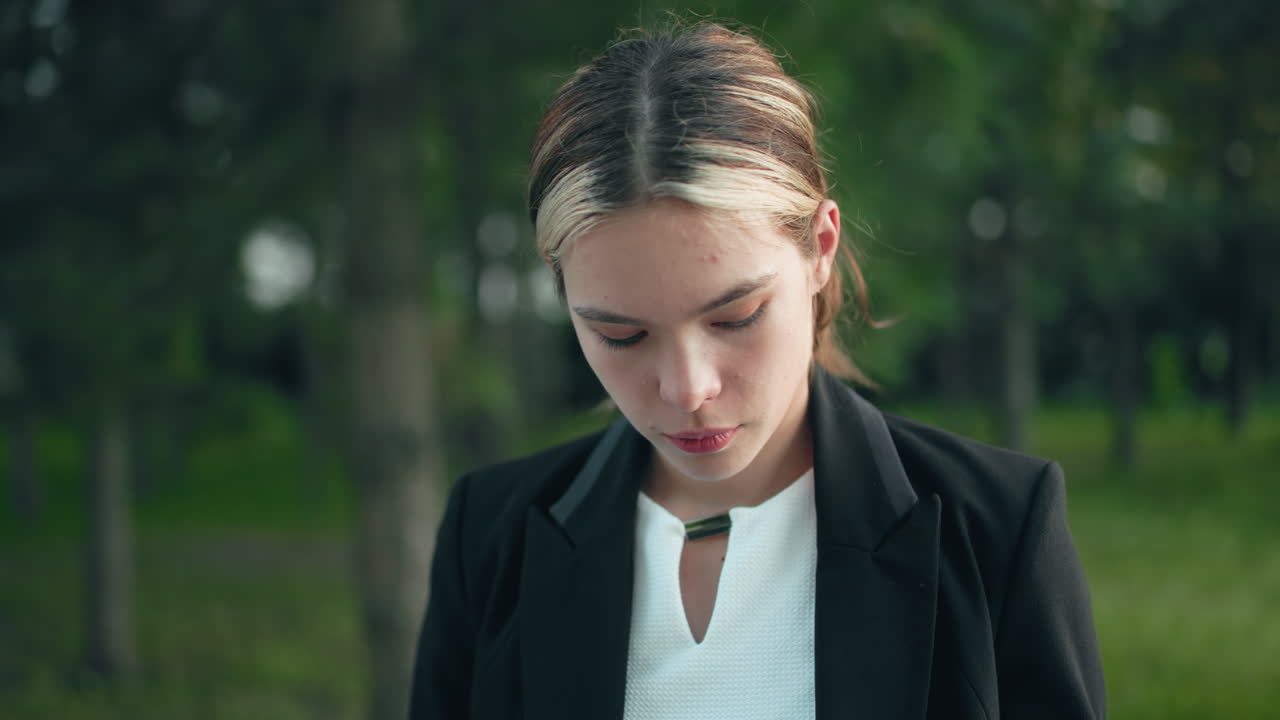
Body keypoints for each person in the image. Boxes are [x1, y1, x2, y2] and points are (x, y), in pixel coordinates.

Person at [409, 21, 1105, 720]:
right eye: (621, 334)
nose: (688, 389)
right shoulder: (490, 534)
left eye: (735, 317)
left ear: (821, 248)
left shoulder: (997, 530)